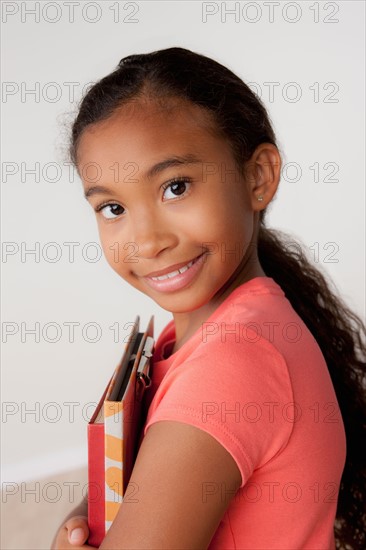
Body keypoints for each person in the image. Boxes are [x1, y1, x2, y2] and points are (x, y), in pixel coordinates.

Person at [51, 47, 365, 550]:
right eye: (112, 207)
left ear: (257, 176)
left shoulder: (231, 365)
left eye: (176, 187)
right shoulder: (219, 331)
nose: (147, 241)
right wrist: (102, 505)